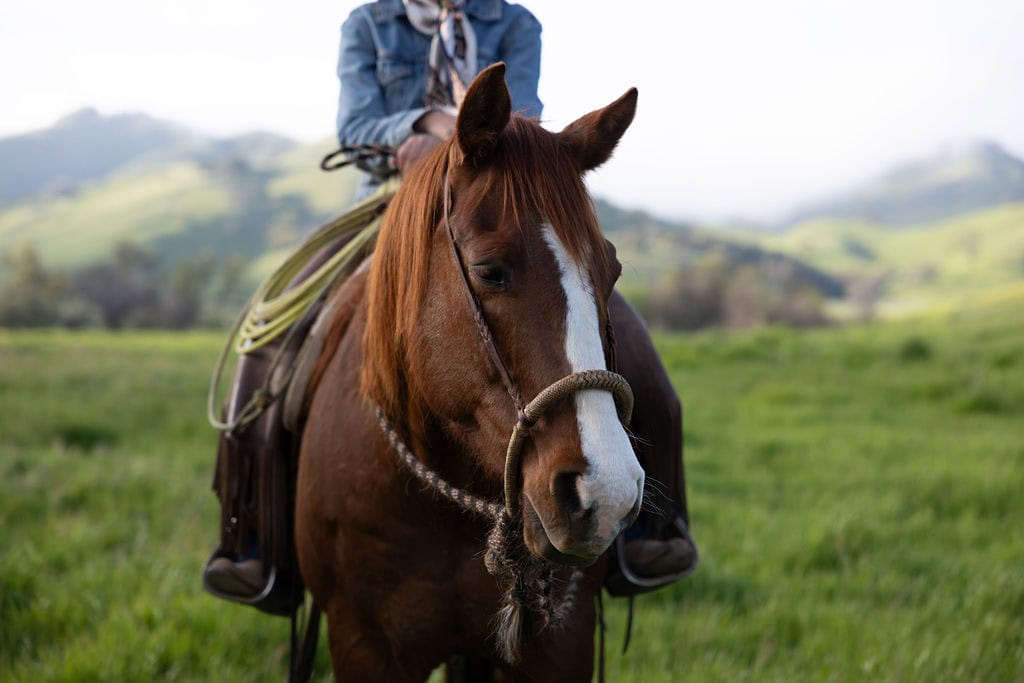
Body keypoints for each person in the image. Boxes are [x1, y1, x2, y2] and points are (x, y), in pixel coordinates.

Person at [205, 0, 695, 604]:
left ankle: (651, 531)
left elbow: (526, 120)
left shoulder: (517, 24)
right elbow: (357, 123)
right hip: (391, 214)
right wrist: (431, 127)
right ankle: (254, 543)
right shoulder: (368, 24)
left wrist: (475, 132)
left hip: (496, 207)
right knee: (270, 341)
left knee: (643, 366)